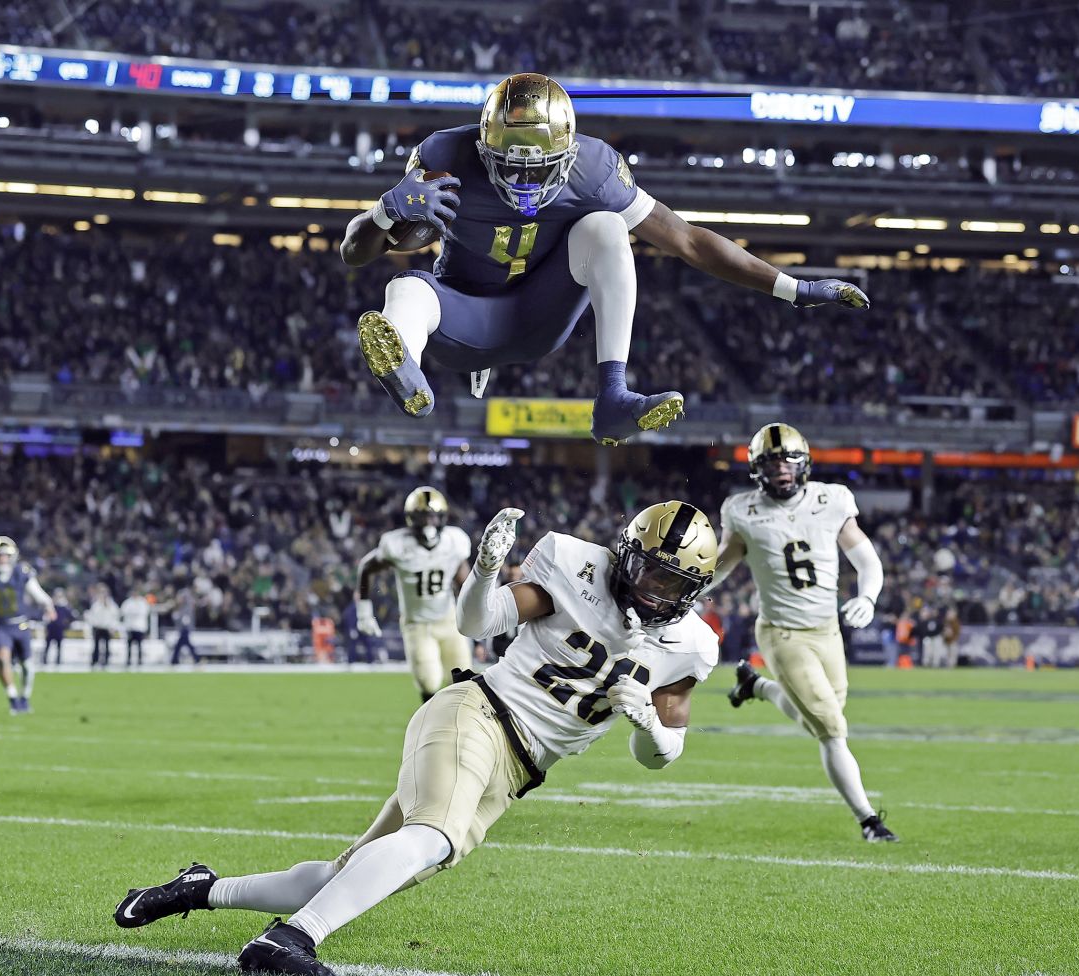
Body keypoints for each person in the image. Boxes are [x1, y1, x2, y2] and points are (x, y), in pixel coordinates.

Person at [113, 500, 720, 976]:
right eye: (645, 571)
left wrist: (647, 725)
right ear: (623, 554)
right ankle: (290, 938)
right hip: (478, 714)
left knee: (346, 875)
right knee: (431, 839)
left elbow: (663, 754)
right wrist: (483, 574)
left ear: (694, 590)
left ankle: (200, 889)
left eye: (671, 584)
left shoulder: (691, 645)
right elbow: (477, 623)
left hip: (518, 771)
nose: (651, 591)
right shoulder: (573, 566)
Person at [342, 72, 870, 446]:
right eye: (510, 164)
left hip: (538, 314)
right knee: (406, 289)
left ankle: (613, 395)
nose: (524, 180)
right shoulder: (443, 157)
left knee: (606, 226)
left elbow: (686, 239)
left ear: (569, 153)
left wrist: (790, 287)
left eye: (538, 167)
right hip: (464, 319)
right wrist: (386, 213)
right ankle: (406, 371)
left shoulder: (595, 169)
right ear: (483, 148)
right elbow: (355, 252)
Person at [713, 423, 898, 843]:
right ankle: (870, 820)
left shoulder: (830, 500)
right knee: (832, 728)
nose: (780, 469)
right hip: (782, 633)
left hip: (827, 631)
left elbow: (867, 559)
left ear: (804, 463)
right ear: (756, 468)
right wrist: (679, 595)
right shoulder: (743, 511)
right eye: (771, 462)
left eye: (787, 460)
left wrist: (868, 597)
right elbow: (722, 565)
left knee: (818, 718)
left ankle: (756, 686)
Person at [355, 486, 473, 702]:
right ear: (412, 518)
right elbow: (366, 567)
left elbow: (463, 581)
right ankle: (430, 727)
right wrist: (364, 611)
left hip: (449, 621)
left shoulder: (454, 542)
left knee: (464, 681)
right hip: (417, 625)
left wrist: (476, 611)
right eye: (424, 517)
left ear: (443, 518)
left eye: (434, 517)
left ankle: (457, 728)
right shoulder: (397, 544)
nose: (430, 523)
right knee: (429, 681)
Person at [0, 536, 56, 714]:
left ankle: (24, 697)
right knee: (3, 659)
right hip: (0, 625)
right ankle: (12, 696)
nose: (3, 559)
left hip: (21, 625)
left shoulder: (22, 572)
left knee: (27, 666)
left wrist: (48, 605)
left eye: (5, 555)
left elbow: (37, 593)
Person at [86, 584, 119, 669]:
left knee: (107, 646)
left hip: (107, 628)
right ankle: (94, 661)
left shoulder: (112, 605)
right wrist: (93, 625)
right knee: (96, 646)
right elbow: (92, 616)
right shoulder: (96, 604)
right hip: (98, 627)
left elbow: (115, 616)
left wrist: (113, 627)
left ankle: (106, 662)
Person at [120, 589, 152, 666]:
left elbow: (146, 612)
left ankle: (140, 660)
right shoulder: (128, 602)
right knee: (129, 645)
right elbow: (123, 612)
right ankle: (128, 660)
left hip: (139, 627)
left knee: (140, 645)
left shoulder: (143, 602)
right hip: (130, 627)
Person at [44, 588, 72, 665]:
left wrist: (65, 624)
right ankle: (44, 660)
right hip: (51, 628)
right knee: (47, 645)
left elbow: (70, 617)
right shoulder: (51, 605)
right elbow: (46, 616)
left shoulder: (65, 606)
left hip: (59, 628)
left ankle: (58, 661)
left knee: (59, 647)